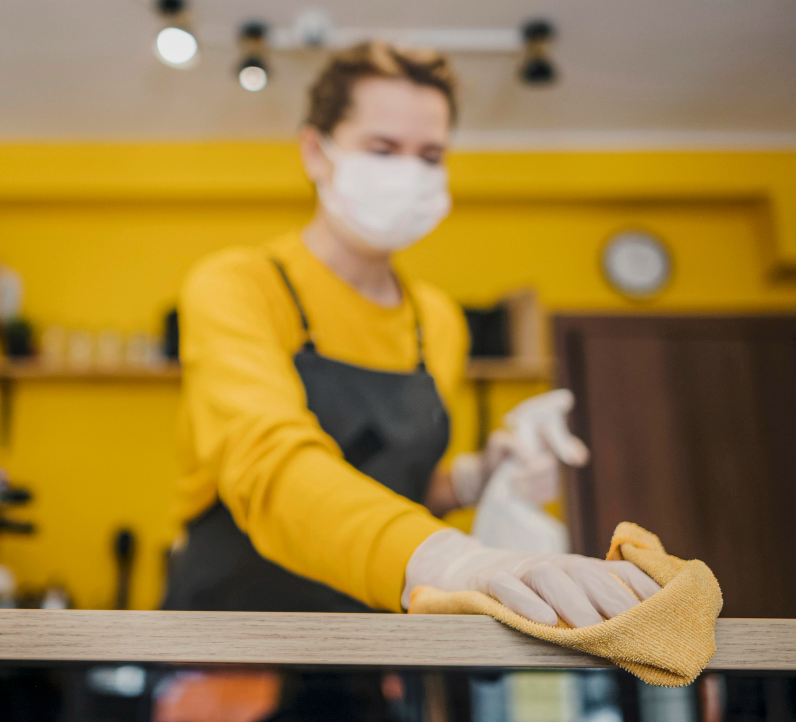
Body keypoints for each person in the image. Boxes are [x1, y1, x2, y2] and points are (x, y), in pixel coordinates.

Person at [163, 41, 659, 626]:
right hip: (233, 635)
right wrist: (452, 562)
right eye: (382, 148)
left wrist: (475, 477)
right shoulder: (239, 286)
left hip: (375, 630)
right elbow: (271, 469)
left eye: (429, 155)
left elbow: (394, 492)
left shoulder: (437, 321)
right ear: (315, 152)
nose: (409, 173)